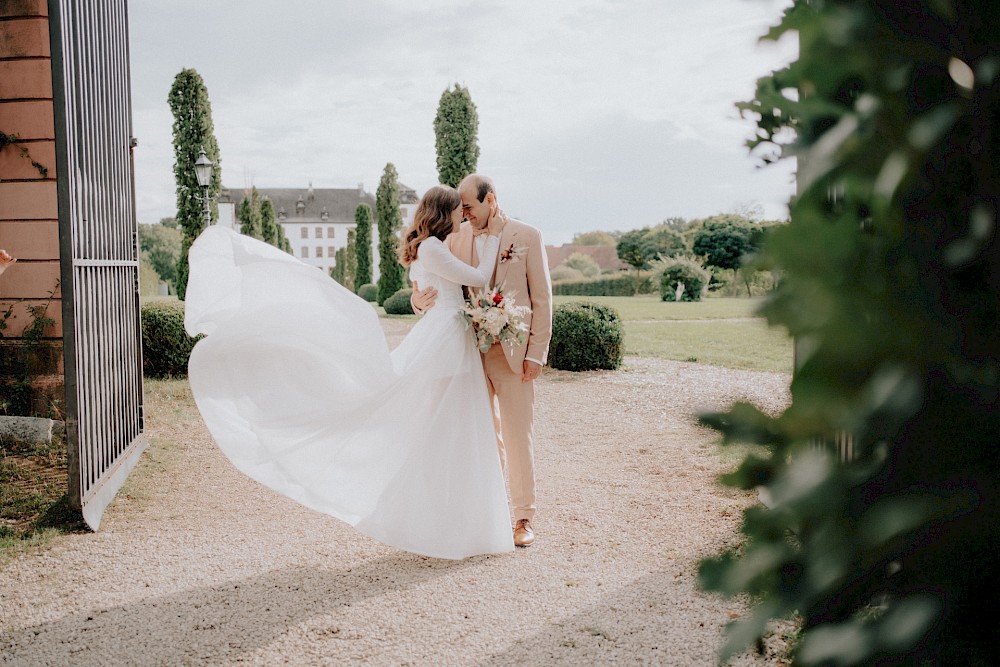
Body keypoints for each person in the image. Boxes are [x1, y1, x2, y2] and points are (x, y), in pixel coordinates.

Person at [184, 185, 513, 560]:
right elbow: (479, 276)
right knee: (450, 426)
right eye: (459, 210)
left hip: (445, 334)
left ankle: (453, 519)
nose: (463, 216)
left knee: (449, 427)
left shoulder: (429, 250)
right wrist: (494, 236)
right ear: (444, 212)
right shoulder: (434, 249)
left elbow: (432, 294)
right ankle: (448, 521)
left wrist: (425, 299)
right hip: (448, 341)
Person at [411, 174, 553, 547]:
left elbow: (542, 299)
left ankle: (523, 517)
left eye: (470, 206)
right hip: (464, 354)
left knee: (518, 436)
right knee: (480, 438)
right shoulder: (452, 235)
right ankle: (487, 515)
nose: (465, 213)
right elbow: (427, 281)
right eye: (461, 207)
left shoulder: (527, 236)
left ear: (490, 200)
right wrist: (416, 300)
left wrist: (537, 353)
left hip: (513, 354)